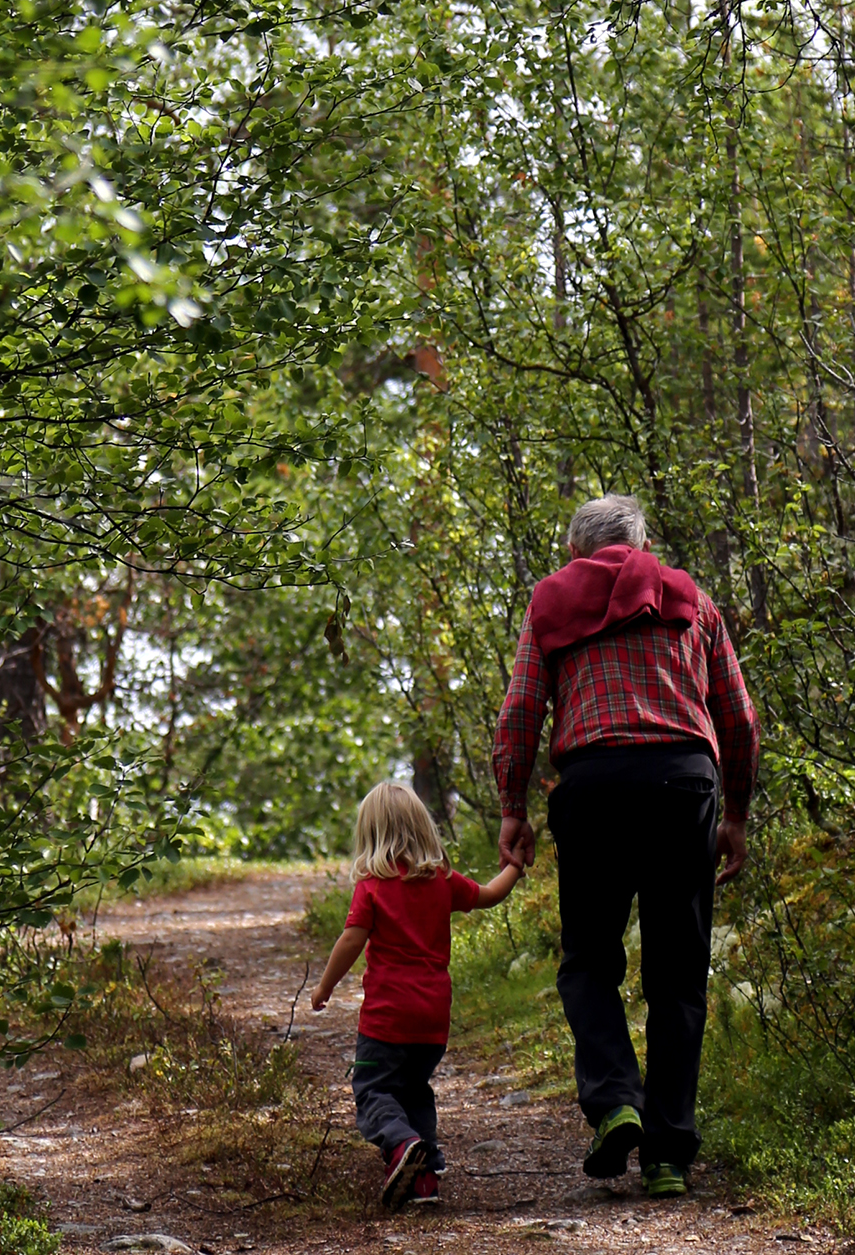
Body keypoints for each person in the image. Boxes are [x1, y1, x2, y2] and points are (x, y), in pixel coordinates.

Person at [492, 494, 758, 1198]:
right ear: (641, 545)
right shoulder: (692, 600)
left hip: (595, 788)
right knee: (677, 976)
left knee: (587, 963)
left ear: (578, 551)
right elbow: (737, 715)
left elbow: (521, 710)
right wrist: (735, 813)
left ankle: (614, 1102)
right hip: (683, 787)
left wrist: (511, 808)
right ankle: (669, 1154)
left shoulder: (551, 602)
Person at [312, 780, 524, 1210]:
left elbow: (352, 940)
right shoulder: (442, 880)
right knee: (413, 1089)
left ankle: (402, 1143)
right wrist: (515, 865)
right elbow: (490, 894)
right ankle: (424, 1177)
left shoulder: (373, 885)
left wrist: (325, 986)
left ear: (372, 834)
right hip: (432, 1021)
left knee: (373, 1090)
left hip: (387, 1019)